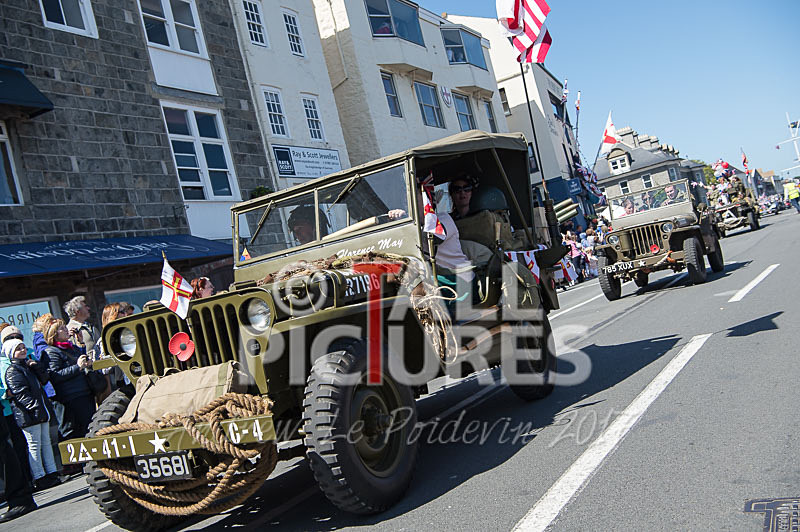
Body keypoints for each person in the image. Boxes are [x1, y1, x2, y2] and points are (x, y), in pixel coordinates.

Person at [3, 339, 59, 491]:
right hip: (28, 414)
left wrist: (37, 367)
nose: (23, 350)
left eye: (23, 347)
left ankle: (52, 472)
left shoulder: (28, 367)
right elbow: (20, 393)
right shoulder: (13, 370)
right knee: (34, 445)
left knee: (46, 443)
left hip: (40, 411)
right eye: (18, 349)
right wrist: (35, 408)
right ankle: (40, 477)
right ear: (10, 353)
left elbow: (44, 379)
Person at [44, 319, 95, 441]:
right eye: (62, 328)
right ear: (54, 334)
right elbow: (55, 375)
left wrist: (81, 344)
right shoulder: (51, 352)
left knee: (89, 428)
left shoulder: (71, 347)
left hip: (84, 392)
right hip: (70, 398)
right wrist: (77, 367)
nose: (66, 330)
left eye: (65, 327)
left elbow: (79, 361)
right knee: (72, 432)